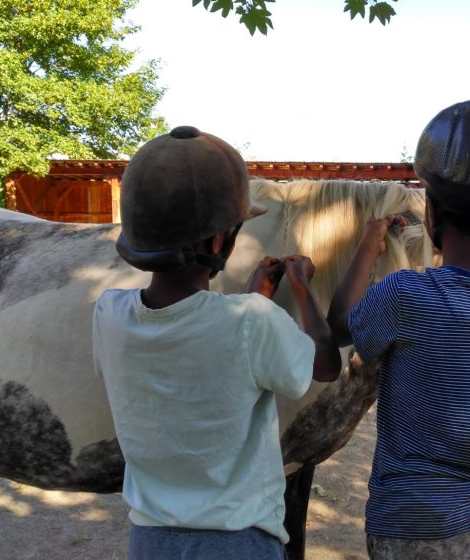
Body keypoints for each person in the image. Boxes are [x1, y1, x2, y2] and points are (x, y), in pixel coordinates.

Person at [92, 125, 341, 560]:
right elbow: (324, 366)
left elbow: (190, 342)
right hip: (239, 541)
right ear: (218, 240)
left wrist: (249, 296)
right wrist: (301, 287)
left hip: (150, 541)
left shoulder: (108, 314)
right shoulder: (252, 322)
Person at [327, 96, 470, 560]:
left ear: (430, 211)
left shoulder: (406, 296)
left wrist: (368, 248)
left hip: (411, 527)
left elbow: (338, 327)